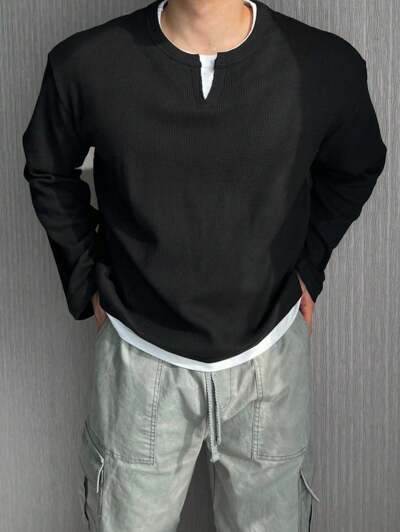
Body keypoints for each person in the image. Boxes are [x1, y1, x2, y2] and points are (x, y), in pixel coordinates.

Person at [21, 0, 387, 530]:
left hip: (269, 357)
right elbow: (49, 169)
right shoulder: (86, 63)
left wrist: (309, 266)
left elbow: (356, 165)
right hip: (138, 358)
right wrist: (85, 280)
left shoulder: (324, 65)